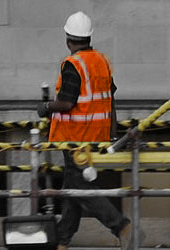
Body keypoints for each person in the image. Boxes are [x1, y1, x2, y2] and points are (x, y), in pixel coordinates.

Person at [35, 11, 137, 250]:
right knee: (72, 189)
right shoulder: (101, 61)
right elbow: (110, 98)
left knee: (79, 188)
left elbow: (67, 103)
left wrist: (45, 107)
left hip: (74, 138)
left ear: (68, 38)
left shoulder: (73, 64)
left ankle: (120, 225)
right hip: (95, 136)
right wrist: (111, 132)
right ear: (89, 37)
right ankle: (62, 240)